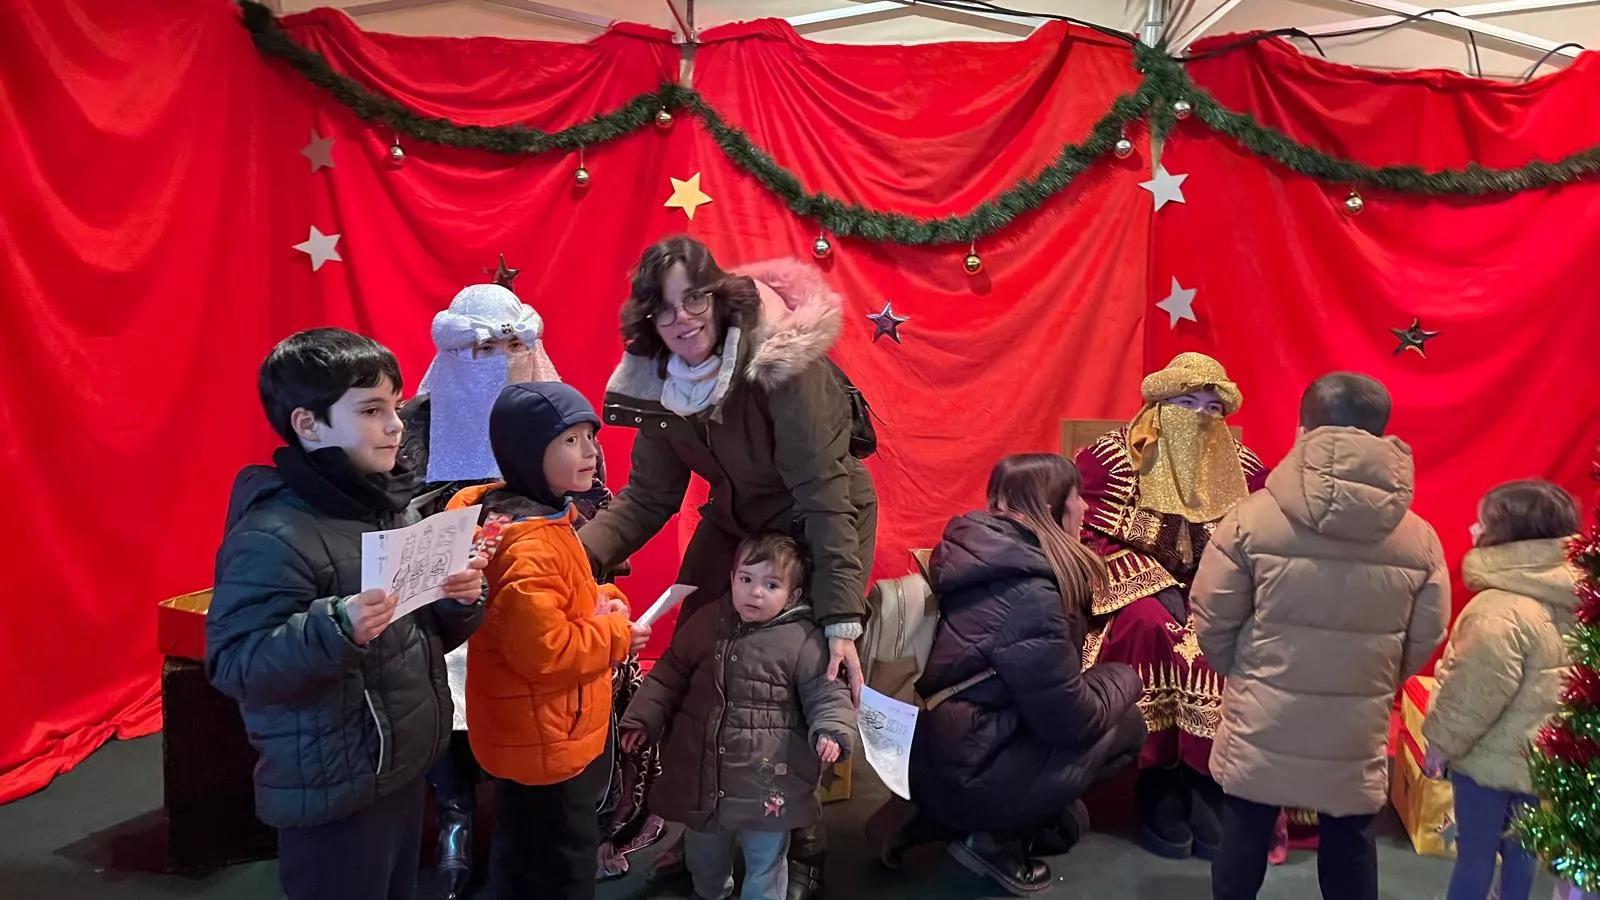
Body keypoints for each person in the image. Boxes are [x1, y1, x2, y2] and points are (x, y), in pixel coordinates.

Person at [579, 236, 878, 898]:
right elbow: (648, 498)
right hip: (737, 519)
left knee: (797, 663)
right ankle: (702, 825)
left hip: (817, 514)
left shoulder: (785, 367)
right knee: (697, 649)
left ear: (721, 297)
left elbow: (826, 498)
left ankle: (801, 844)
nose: (682, 319)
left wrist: (840, 623)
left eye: (695, 299)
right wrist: (566, 560)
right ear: (647, 319)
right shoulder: (659, 380)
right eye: (664, 308)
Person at [205, 328, 487, 900]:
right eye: (371, 410)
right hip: (333, 788)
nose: (395, 425)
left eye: (396, 406)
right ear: (309, 425)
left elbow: (417, 633)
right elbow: (235, 663)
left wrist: (458, 601)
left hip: (402, 769)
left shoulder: (384, 507)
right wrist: (335, 627)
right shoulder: (272, 535)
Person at [395, 281, 650, 895]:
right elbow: (401, 522)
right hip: (450, 603)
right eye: (483, 349)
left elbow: (591, 519)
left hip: (555, 619)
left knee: (547, 812)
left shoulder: (560, 430)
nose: (498, 360)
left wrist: (598, 597)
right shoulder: (417, 424)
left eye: (511, 346)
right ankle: (455, 815)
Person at [1190, 372, 1450, 900]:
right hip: (1355, 717)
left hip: (1263, 712)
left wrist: (1244, 668)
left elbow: (1211, 616)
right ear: (1381, 435)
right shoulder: (1419, 538)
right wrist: (1372, 676)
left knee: (1243, 833)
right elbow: (1428, 633)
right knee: (1351, 838)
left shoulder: (1250, 519)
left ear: (1303, 428)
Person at [906, 454, 1147, 896]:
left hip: (941, 752)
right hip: (969, 773)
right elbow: (1071, 721)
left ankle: (1010, 818)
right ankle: (995, 840)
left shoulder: (983, 557)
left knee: (1071, 814)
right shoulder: (1031, 593)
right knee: (1129, 724)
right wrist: (1127, 678)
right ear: (1052, 507)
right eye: (1078, 497)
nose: (1086, 508)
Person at [447, 381, 651, 900]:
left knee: (521, 854)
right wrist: (616, 632)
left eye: (590, 437)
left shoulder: (509, 514)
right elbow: (546, 650)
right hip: (547, 738)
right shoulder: (530, 543)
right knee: (561, 866)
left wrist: (605, 598)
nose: (590, 452)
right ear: (527, 452)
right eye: (570, 441)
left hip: (525, 733)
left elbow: (559, 602)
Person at [1072, 351, 1276, 860]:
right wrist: (1157, 586)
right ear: (1159, 405)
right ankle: (1157, 778)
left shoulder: (1245, 468)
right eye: (1187, 403)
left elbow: (1265, 541)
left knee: (1222, 641)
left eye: (1211, 408)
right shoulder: (1109, 460)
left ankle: (1207, 779)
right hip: (1137, 589)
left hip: (1219, 590)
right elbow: (1087, 538)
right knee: (1151, 629)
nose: (1200, 417)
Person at [618, 533, 857, 900]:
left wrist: (832, 729)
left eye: (771, 584)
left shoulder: (803, 640)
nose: (755, 592)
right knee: (704, 856)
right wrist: (642, 717)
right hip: (705, 778)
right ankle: (710, 891)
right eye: (746, 579)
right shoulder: (707, 621)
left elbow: (826, 691)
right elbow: (669, 674)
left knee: (766, 861)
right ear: (731, 579)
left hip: (767, 782)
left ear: (793, 596)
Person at [1422, 480, 1581, 900]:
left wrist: (1440, 743)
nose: (1473, 530)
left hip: (1486, 761)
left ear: (1508, 537)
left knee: (1474, 854)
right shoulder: (1573, 597)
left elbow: (1473, 695)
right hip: (1542, 756)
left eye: (1483, 523)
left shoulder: (1497, 608)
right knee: (1523, 851)